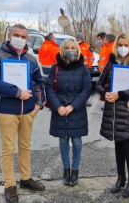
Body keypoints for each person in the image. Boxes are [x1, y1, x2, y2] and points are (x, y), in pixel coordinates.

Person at [0, 24, 45, 203]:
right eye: (16, 35)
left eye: (23, 36)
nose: (20, 39)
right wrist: (17, 92)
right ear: (9, 36)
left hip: (27, 112)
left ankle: (25, 179)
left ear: (27, 39)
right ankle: (10, 186)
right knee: (8, 150)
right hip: (6, 111)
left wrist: (39, 104)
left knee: (25, 146)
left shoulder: (31, 59)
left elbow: (39, 83)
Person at [96, 33, 129, 198]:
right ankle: (120, 178)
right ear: (116, 45)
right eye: (120, 44)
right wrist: (107, 93)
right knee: (118, 146)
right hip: (114, 112)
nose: (123, 48)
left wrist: (121, 94)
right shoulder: (111, 63)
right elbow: (99, 84)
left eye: (126, 45)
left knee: (128, 147)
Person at [45, 38, 92, 187]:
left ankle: (75, 170)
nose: (70, 50)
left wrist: (72, 106)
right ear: (63, 50)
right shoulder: (55, 67)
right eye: (67, 47)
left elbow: (87, 89)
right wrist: (58, 106)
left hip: (76, 110)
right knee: (63, 141)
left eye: (73, 47)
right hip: (59, 109)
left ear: (77, 50)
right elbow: (49, 88)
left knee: (77, 141)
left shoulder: (83, 68)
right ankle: (66, 169)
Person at [75, 33, 94, 107]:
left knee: (85, 85)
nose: (76, 39)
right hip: (75, 69)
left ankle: (86, 100)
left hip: (84, 70)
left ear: (82, 39)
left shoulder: (87, 47)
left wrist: (88, 66)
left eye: (78, 38)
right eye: (76, 38)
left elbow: (91, 58)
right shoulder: (74, 46)